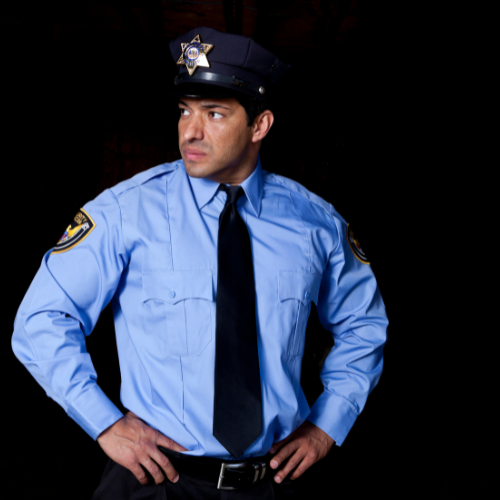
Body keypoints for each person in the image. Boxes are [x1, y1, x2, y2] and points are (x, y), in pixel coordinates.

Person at [12, 26, 388, 499]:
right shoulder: (124, 213)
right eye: (184, 111)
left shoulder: (316, 223)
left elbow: (364, 325)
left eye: (213, 113)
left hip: (273, 484)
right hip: (155, 484)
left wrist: (327, 425)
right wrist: (104, 422)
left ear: (259, 126)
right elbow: (40, 320)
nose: (190, 131)